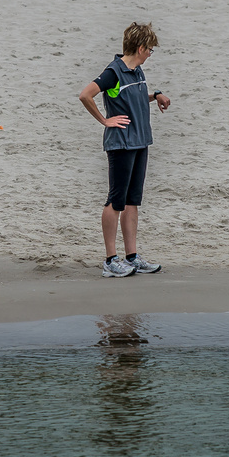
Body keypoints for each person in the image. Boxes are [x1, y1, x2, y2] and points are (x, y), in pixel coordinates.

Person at [79, 22, 170, 277]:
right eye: (150, 49)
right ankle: (110, 260)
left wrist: (157, 95)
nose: (150, 54)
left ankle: (132, 257)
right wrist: (104, 120)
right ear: (140, 47)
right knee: (116, 201)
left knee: (132, 201)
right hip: (121, 143)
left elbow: (134, 97)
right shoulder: (114, 72)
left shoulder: (137, 71)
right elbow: (86, 95)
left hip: (141, 141)